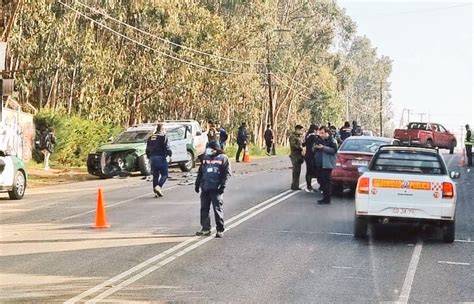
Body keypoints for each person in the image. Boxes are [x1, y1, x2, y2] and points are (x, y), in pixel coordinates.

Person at [195, 141, 231, 238]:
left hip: (216, 188)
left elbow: (226, 174)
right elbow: (200, 172)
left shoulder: (223, 158)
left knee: (217, 209)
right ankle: (205, 228)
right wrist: (197, 183)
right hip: (206, 187)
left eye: (210, 148)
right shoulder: (205, 158)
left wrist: (222, 186)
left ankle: (220, 229)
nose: (208, 150)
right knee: (204, 209)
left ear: (216, 149)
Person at [146, 123, 172, 197]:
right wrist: (170, 154)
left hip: (153, 158)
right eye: (165, 129)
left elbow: (147, 149)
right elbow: (167, 147)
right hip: (161, 158)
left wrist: (149, 157)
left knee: (155, 175)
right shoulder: (164, 137)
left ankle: (156, 192)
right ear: (162, 129)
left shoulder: (150, 137)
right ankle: (159, 186)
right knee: (165, 174)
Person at [313, 126, 338, 204]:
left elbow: (334, 150)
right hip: (319, 164)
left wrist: (323, 148)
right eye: (320, 133)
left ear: (327, 133)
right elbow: (313, 149)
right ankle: (324, 196)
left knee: (327, 181)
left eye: (322, 133)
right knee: (321, 181)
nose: (321, 134)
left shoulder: (332, 140)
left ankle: (327, 199)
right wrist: (315, 147)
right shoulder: (318, 140)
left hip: (327, 164)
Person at [302, 124, 318, 192]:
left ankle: (309, 185)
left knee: (309, 171)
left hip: (307, 155)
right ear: (314, 130)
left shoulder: (307, 136)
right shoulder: (313, 137)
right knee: (310, 171)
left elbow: (304, 144)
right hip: (311, 155)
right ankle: (309, 186)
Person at [289, 125, 305, 190]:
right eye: (300, 130)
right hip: (295, 155)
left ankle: (296, 185)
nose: (301, 131)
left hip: (299, 155)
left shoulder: (299, 137)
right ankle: (294, 186)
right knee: (296, 171)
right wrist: (300, 147)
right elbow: (293, 145)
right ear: (297, 130)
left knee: (298, 171)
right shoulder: (293, 137)